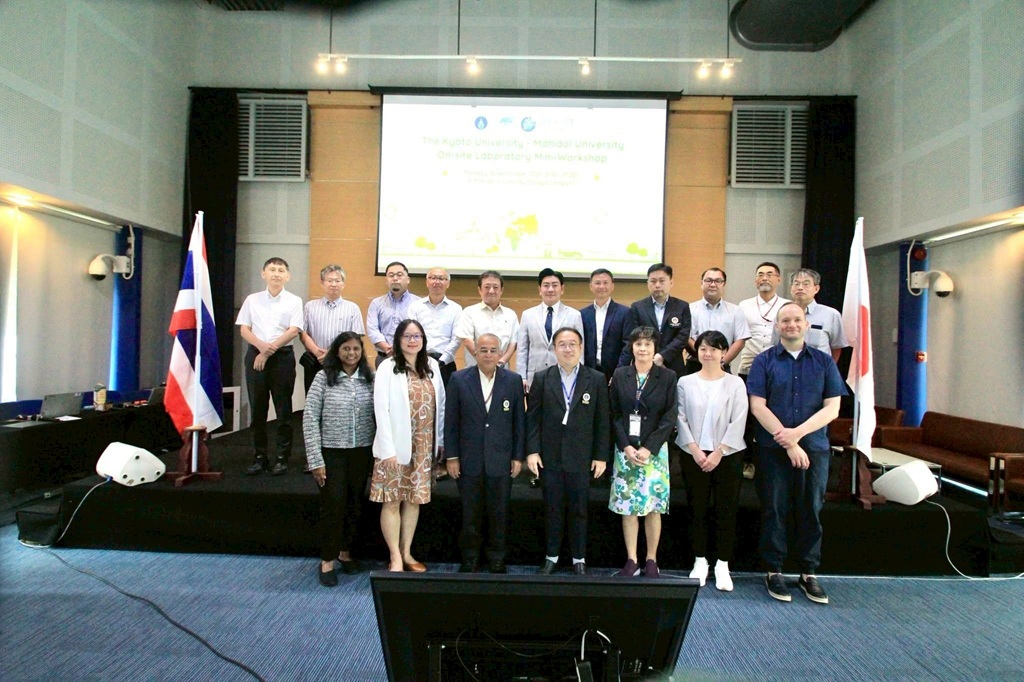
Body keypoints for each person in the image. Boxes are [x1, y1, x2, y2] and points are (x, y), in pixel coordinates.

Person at [747, 302, 845, 605]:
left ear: (806, 324)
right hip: (771, 449)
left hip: (814, 448)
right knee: (774, 509)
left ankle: (808, 572)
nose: (791, 324)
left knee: (811, 509)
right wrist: (788, 443)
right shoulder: (763, 361)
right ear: (777, 326)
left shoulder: (824, 362)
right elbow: (757, 406)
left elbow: (833, 408)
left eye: (797, 320)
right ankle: (774, 570)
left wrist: (797, 435)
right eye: (785, 320)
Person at [526, 327, 610, 576]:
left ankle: (578, 558)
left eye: (573, 344)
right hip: (550, 457)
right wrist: (532, 451)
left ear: (581, 347)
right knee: (552, 508)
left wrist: (601, 456)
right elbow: (533, 419)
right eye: (562, 344)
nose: (568, 348)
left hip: (582, 457)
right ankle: (551, 556)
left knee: (579, 510)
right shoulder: (542, 378)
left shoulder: (596, 379)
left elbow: (602, 420)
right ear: (554, 349)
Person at [444, 333, 525, 574]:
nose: (488, 355)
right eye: (483, 350)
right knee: (470, 513)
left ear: (500, 353)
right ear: (475, 353)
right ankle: (470, 557)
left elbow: (519, 422)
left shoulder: (513, 380)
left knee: (499, 513)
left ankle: (497, 557)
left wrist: (517, 456)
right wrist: (452, 456)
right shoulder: (459, 379)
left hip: (501, 460)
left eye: (492, 350)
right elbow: (451, 421)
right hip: (469, 460)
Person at [369, 319, 445, 572]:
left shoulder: (432, 366)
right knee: (392, 501)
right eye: (407, 336)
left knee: (413, 499)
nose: (413, 341)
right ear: (398, 340)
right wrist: (387, 449)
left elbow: (441, 406)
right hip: (394, 447)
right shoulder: (387, 367)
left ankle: (407, 552)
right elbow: (381, 410)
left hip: (423, 447)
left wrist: (440, 441)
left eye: (417, 336)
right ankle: (395, 557)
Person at [675, 331, 749, 592]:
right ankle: (700, 561)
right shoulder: (685, 382)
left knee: (726, 510)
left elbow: (739, 419)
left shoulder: (735, 383)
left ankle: (722, 564)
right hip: (693, 455)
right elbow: (679, 417)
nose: (708, 354)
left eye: (714, 349)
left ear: (724, 353)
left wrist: (719, 452)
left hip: (727, 455)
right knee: (697, 509)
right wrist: (695, 450)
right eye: (703, 349)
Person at [303, 331, 375, 586]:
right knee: (333, 505)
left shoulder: (370, 378)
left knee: (354, 504)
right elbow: (310, 418)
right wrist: (315, 459)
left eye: (356, 349)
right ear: (337, 351)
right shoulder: (323, 377)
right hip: (331, 452)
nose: (351, 353)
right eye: (346, 348)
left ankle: (345, 553)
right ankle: (327, 560)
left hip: (362, 451)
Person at [608, 327, 677, 578]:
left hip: (654, 453)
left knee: (653, 507)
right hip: (625, 450)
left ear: (655, 348)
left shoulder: (667, 376)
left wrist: (649, 448)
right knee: (628, 507)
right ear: (632, 347)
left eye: (648, 344)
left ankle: (651, 560)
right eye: (638, 344)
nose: (643, 349)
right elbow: (614, 413)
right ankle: (632, 560)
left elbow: (670, 416)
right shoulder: (620, 375)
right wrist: (625, 445)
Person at [236, 256, 304, 476]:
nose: (276, 273)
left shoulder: (294, 301)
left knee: (284, 409)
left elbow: (293, 330)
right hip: (255, 354)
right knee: (258, 408)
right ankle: (260, 456)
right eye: (272, 269)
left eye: (281, 270)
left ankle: (282, 457)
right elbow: (244, 329)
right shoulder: (252, 299)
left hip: (281, 357)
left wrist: (267, 351)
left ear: (288, 276)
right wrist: (261, 348)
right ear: (263, 273)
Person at [737, 262, 790, 480]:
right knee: (748, 417)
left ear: (778, 279)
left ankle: (775, 460)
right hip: (749, 366)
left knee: (776, 413)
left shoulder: (787, 305)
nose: (764, 278)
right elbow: (739, 336)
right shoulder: (744, 305)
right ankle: (749, 461)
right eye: (760, 274)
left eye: (769, 274)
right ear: (755, 280)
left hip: (779, 367)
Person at [299, 264, 365, 394]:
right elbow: (303, 333)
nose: (333, 284)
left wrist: (331, 353)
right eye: (329, 280)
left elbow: (356, 337)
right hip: (315, 360)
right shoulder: (310, 307)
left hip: (343, 361)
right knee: (314, 397)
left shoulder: (352, 308)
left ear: (343, 284)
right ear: (322, 283)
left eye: (337, 280)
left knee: (338, 398)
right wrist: (317, 352)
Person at [517, 268, 584, 391]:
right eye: (546, 285)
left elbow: (580, 348)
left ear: (562, 289)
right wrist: (522, 377)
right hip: (534, 377)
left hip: (565, 376)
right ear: (540, 289)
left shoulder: (574, 315)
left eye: (554, 285)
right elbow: (522, 348)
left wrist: (580, 376)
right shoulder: (528, 315)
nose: (550, 289)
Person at [620, 263, 691, 376]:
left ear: (671, 282)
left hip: (673, 364)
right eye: (653, 281)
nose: (657, 285)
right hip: (644, 364)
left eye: (662, 281)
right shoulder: (637, 307)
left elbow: (683, 336)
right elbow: (634, 337)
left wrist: (663, 356)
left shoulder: (682, 306)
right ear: (647, 283)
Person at [684, 268, 750, 375]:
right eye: (708, 280)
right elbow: (686, 337)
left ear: (724, 284)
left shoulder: (736, 311)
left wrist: (722, 362)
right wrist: (704, 357)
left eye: (718, 281)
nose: (713, 284)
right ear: (701, 283)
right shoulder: (688, 309)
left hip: (723, 365)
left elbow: (740, 341)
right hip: (694, 364)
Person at [407, 267, 462, 387]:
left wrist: (443, 360)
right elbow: (411, 334)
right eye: (433, 278)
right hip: (419, 361)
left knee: (446, 397)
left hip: (446, 363)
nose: (437, 282)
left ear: (448, 283)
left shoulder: (456, 309)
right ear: (427, 282)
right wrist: (420, 357)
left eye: (441, 278)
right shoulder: (415, 307)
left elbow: (457, 338)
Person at [454, 270, 519, 371]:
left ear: (501, 290)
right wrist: (484, 361)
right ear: (479, 290)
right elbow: (467, 340)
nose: (491, 291)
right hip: (474, 370)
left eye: (495, 287)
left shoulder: (510, 314)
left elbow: (513, 343)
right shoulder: (469, 312)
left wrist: (501, 362)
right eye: (487, 287)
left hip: (502, 370)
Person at [782, 268, 848, 361]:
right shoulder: (782, 313)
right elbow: (775, 344)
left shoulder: (831, 314)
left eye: (806, 284)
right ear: (791, 288)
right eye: (796, 284)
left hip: (818, 368)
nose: (800, 287)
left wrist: (827, 368)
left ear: (816, 289)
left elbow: (836, 347)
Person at [367, 261, 421, 368]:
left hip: (411, 357)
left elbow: (421, 331)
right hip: (384, 357)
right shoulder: (376, 303)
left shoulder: (418, 303)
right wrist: (387, 348)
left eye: (399, 275)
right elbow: (372, 329)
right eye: (391, 275)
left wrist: (403, 348)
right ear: (386, 280)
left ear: (408, 279)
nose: (395, 278)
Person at [581, 268, 630, 384]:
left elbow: (628, 345)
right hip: (588, 371)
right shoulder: (582, 314)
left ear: (612, 286)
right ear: (591, 286)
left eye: (605, 283)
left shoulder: (625, 312)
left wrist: (619, 372)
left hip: (614, 371)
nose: (601, 286)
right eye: (597, 283)